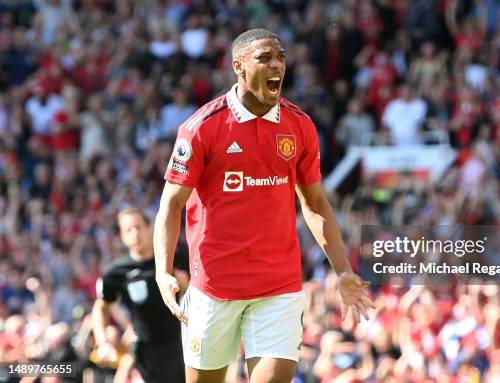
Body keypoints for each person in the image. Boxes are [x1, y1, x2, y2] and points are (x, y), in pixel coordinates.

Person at [154, 28, 375, 383]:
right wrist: (162, 270)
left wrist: (343, 269)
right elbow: (171, 204)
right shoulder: (202, 127)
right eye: (264, 58)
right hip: (214, 285)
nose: (276, 65)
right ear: (238, 66)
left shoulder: (299, 126)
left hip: (279, 286)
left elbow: (315, 202)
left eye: (281, 57)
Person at [92, 208, 187, 383]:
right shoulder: (116, 272)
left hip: (185, 342)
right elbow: (101, 308)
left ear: (149, 228)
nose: (135, 233)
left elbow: (198, 290)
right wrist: (103, 342)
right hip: (150, 352)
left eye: (138, 227)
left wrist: (186, 283)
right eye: (129, 229)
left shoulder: (175, 256)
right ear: (122, 235)